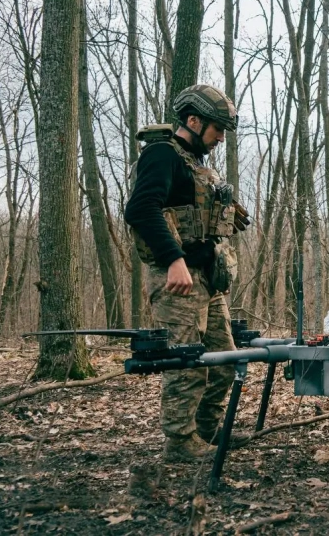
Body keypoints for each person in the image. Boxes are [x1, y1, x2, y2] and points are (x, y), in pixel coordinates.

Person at [125, 84, 250, 462]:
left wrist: (224, 212)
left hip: (208, 278)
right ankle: (180, 441)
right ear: (193, 121)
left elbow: (192, 210)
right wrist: (174, 258)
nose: (220, 138)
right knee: (187, 363)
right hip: (178, 278)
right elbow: (141, 209)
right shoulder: (162, 154)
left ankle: (206, 431)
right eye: (216, 129)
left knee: (225, 362)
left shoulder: (198, 165)